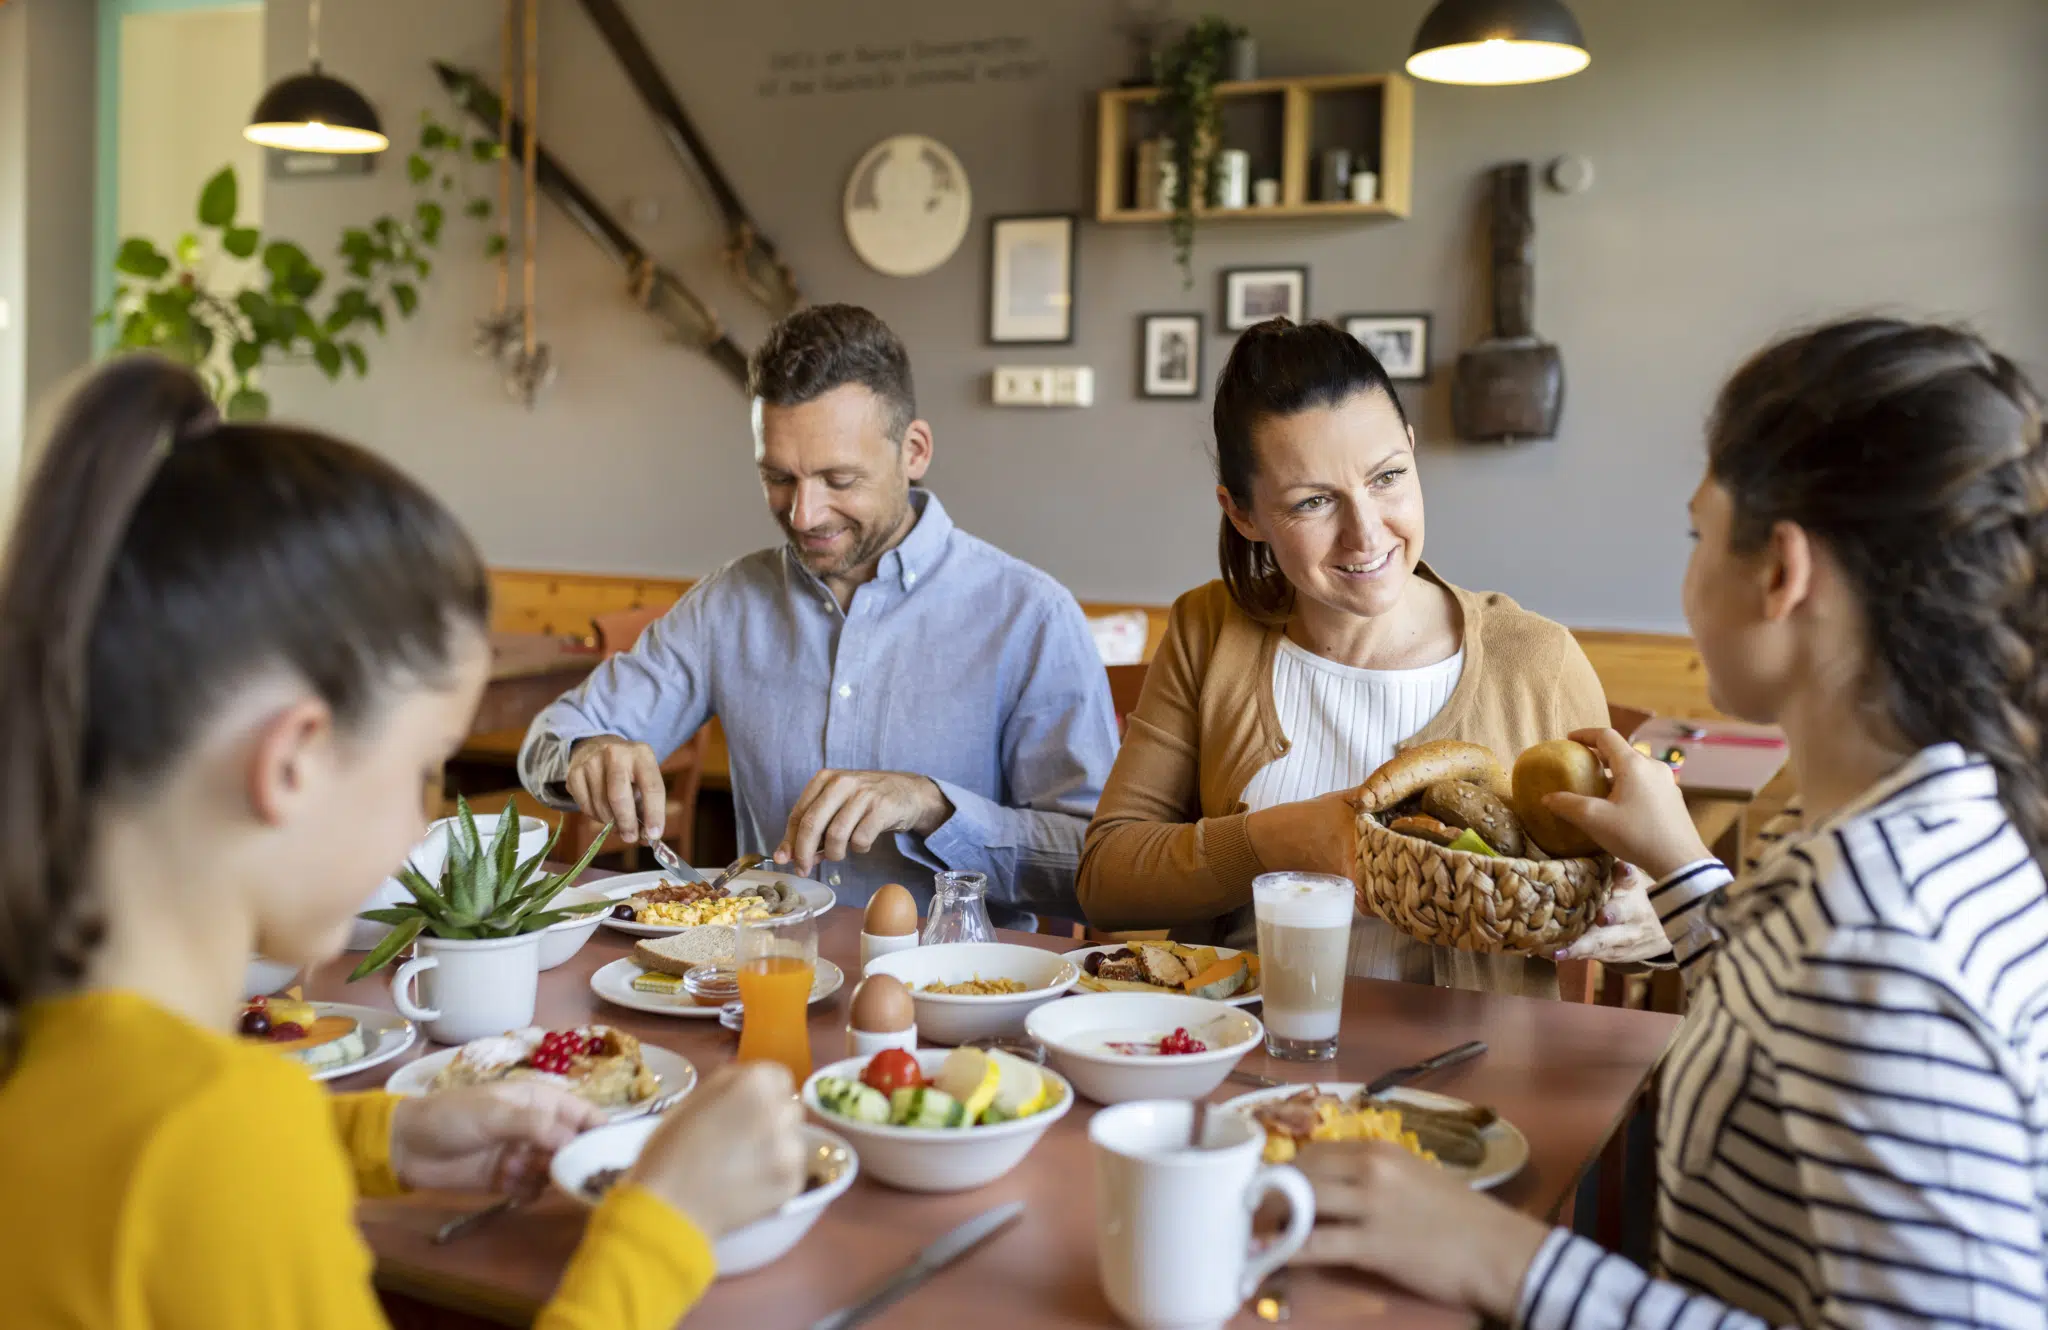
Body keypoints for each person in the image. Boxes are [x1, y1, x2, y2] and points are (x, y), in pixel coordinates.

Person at [0, 356, 806, 1327]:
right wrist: (662, 1227)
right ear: (294, 758)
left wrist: (386, 1136)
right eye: (424, 766)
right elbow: (210, 1174)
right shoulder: (220, 1137)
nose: (424, 821)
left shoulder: (86, 1070)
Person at [1287, 318, 2048, 1326]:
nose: (1684, 571)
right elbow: (1784, 1016)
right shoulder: (1892, 843)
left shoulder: (1879, 945)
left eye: (1697, 535)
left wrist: (1504, 1259)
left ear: (1780, 572)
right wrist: (1681, 868)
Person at [1079, 318, 1648, 996]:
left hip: (1474, 1082)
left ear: (1412, 450)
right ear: (1243, 515)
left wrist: (1648, 919)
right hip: (1237, 1057)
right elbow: (1105, 881)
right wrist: (1275, 840)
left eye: (1387, 478)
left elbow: (1635, 906)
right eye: (1313, 502)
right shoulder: (1209, 630)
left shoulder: (1535, 660)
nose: (1366, 533)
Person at [520, 304, 1118, 926]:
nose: (804, 514)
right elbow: (550, 739)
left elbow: (1101, 868)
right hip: (762, 985)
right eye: (779, 477)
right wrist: (587, 753)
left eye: (839, 478)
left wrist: (933, 807)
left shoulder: (1030, 616)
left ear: (913, 451)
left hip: (952, 999)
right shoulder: (727, 604)